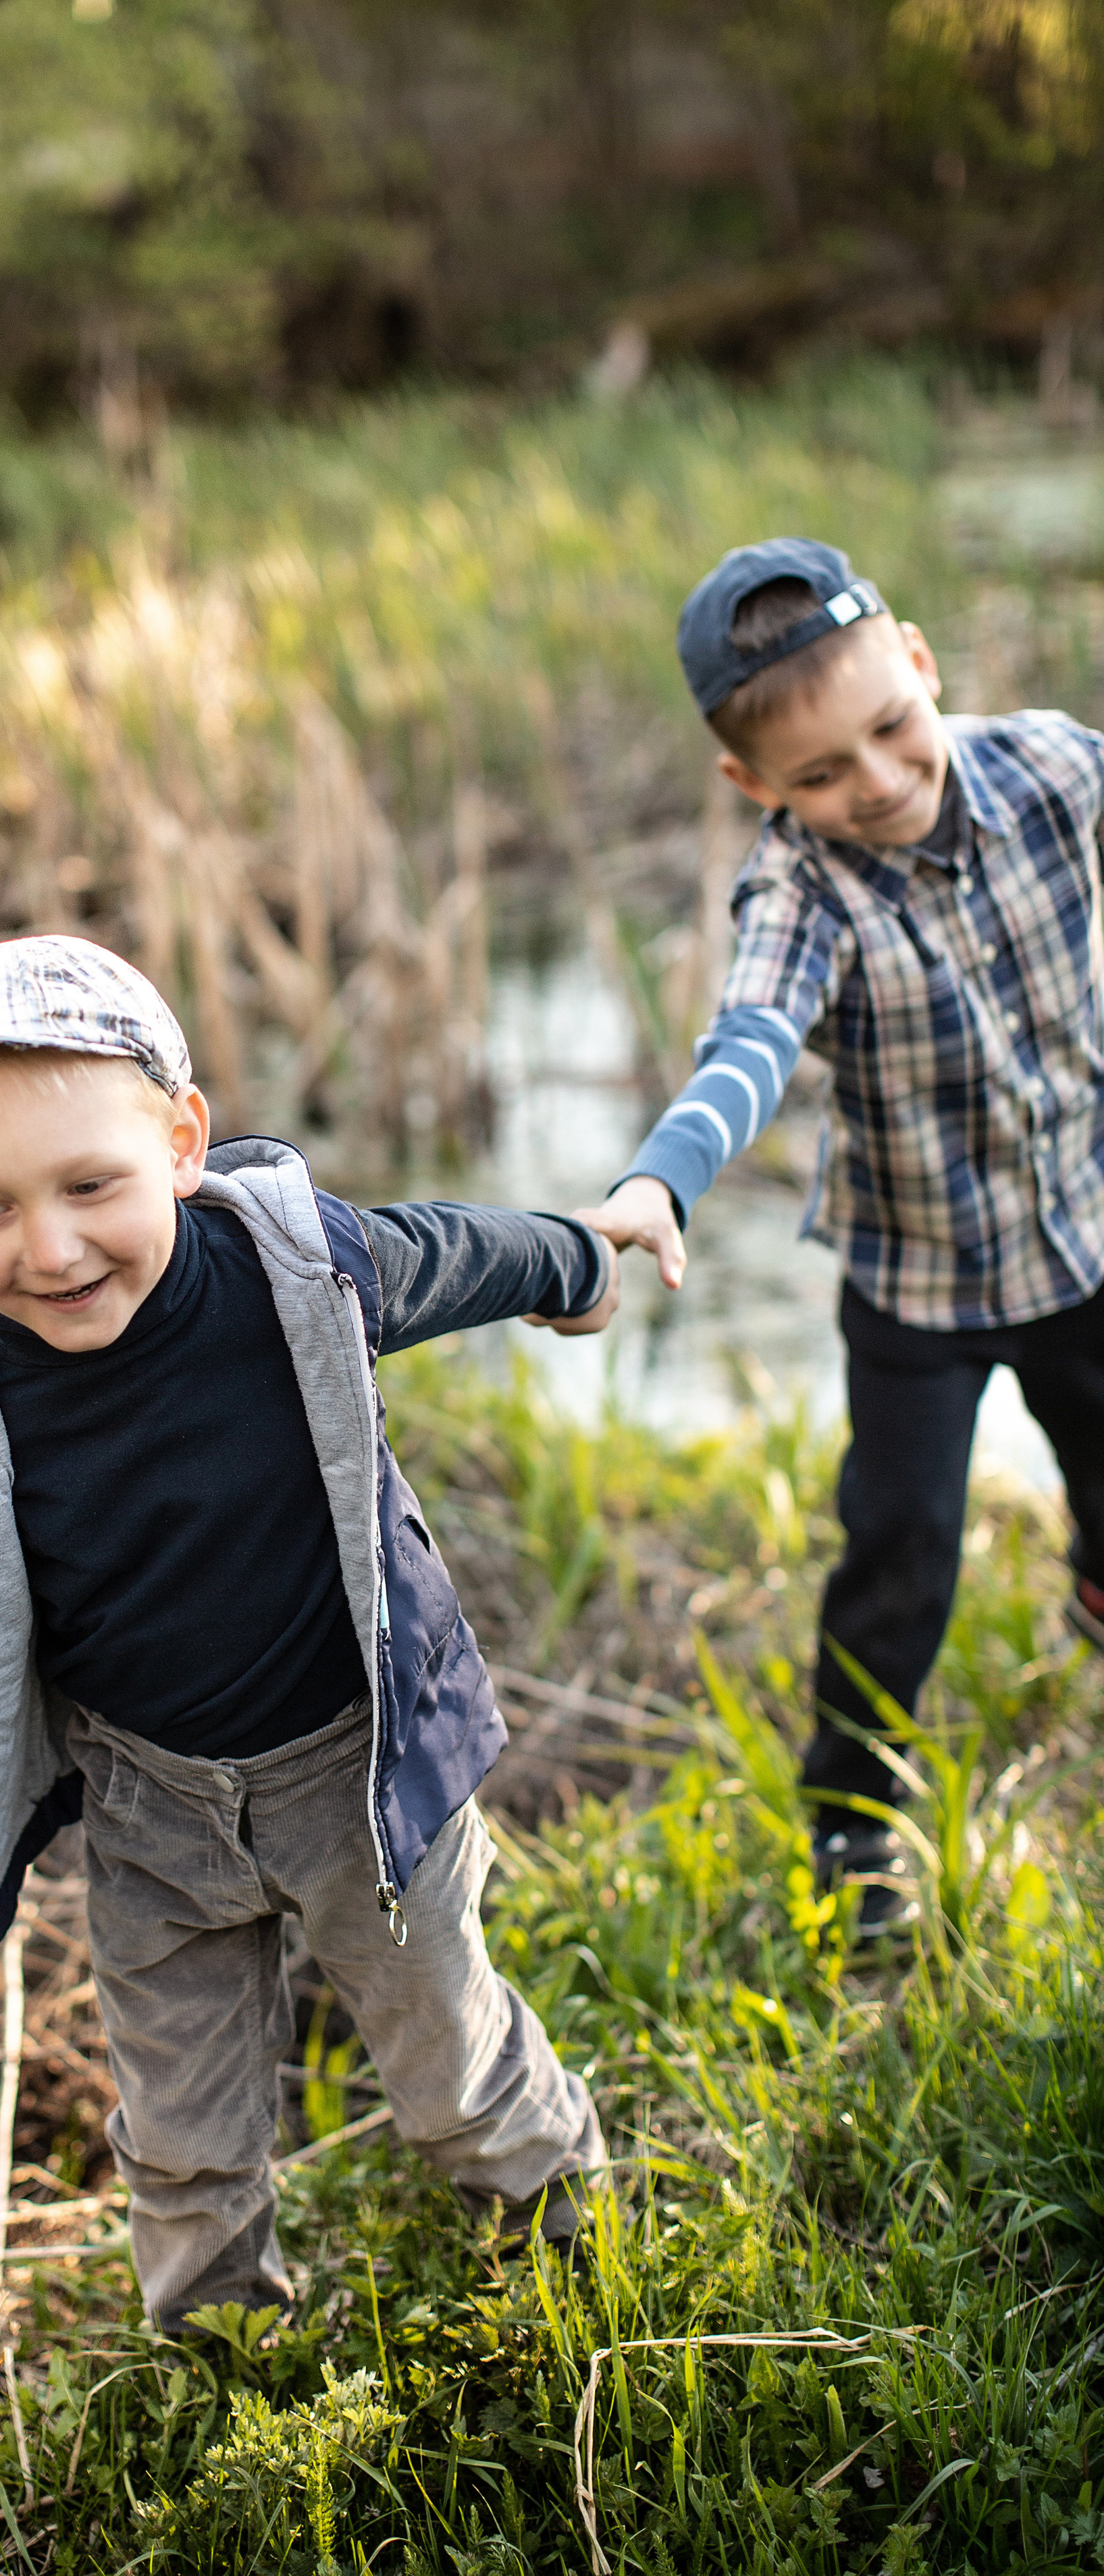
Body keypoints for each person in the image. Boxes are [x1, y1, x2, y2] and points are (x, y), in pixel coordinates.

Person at [0, 933, 616, 2331]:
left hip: (357, 1781)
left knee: (448, 2080)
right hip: (150, 1811)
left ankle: (577, 2256)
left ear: (181, 1140)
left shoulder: (297, 1271)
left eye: (90, 1187)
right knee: (181, 2135)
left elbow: (462, 1250)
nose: (48, 1249)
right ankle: (229, 2357)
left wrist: (578, 1264)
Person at [580, 536, 1104, 1936]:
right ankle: (851, 1822)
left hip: (1084, 1242)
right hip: (917, 1291)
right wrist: (659, 1181)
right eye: (817, 775)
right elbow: (744, 1047)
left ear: (921, 666)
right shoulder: (796, 896)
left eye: (889, 727)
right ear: (751, 788)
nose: (873, 782)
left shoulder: (1051, 766)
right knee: (900, 1552)